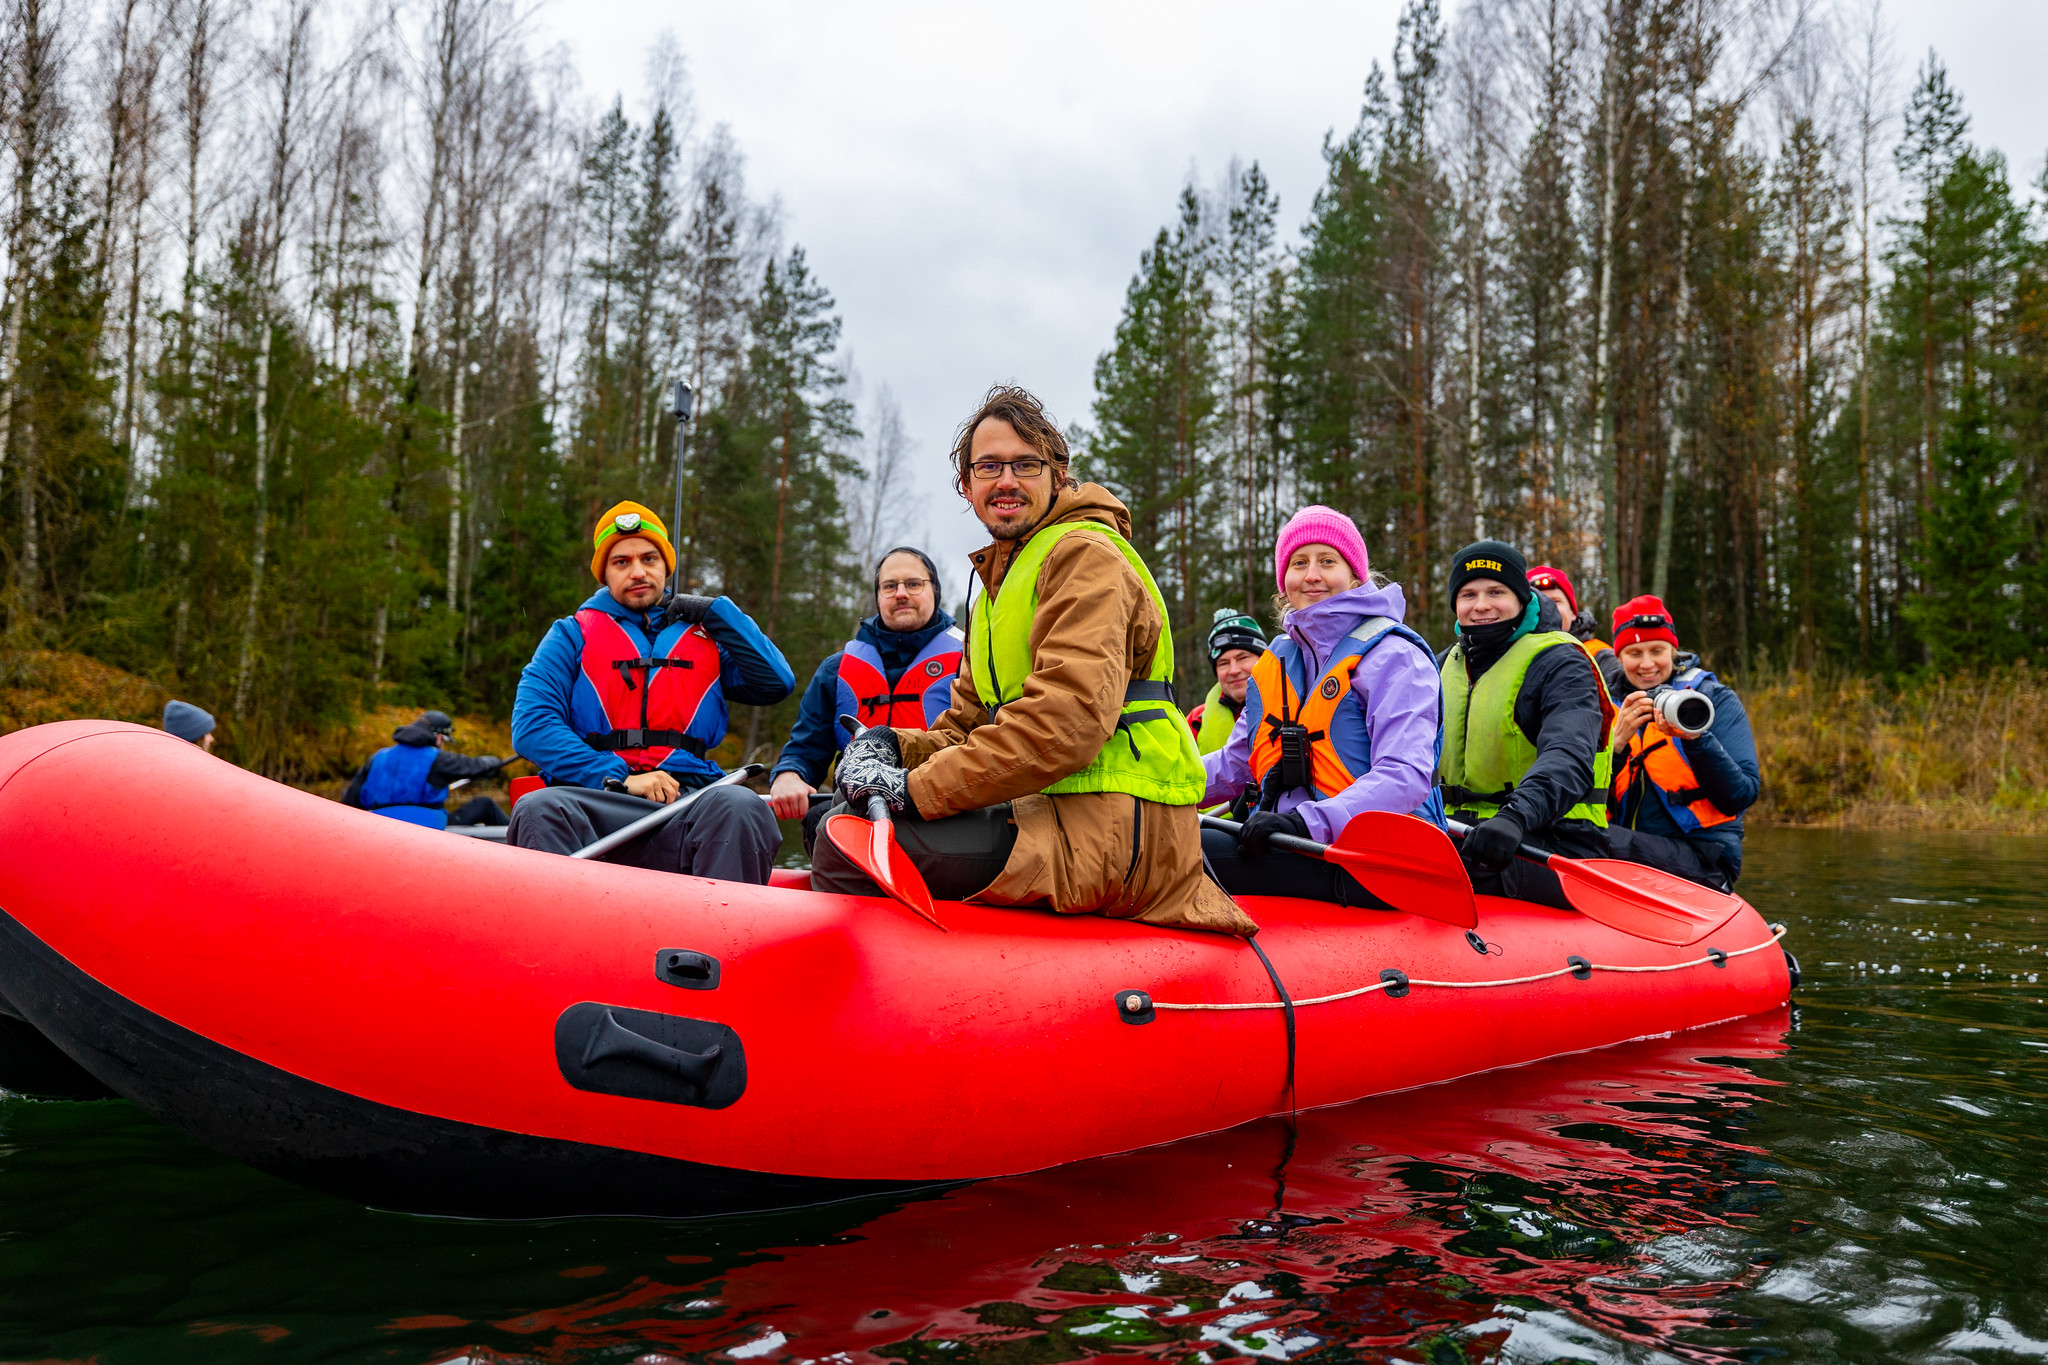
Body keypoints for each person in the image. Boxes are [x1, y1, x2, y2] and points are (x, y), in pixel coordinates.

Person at [811, 385, 1253, 935]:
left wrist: (913, 789)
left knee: (842, 846)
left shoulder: (1086, 556)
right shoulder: (993, 594)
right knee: (833, 815)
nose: (1006, 480)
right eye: (989, 466)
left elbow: (1065, 724)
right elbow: (964, 729)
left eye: (1025, 464)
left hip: (1115, 828)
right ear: (967, 484)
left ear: (1057, 475)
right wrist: (891, 746)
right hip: (1045, 810)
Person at [507, 501, 793, 883]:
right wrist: (618, 777)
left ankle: (716, 924)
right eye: (621, 562)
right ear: (605, 574)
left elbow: (775, 682)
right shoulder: (570, 634)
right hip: (600, 802)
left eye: (649, 559)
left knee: (740, 804)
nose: (638, 572)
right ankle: (567, 919)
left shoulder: (706, 637)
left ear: (665, 567)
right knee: (538, 808)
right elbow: (532, 725)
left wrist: (717, 613)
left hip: (689, 803)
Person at [1198, 506, 1444, 906]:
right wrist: (1151, 791)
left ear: (1355, 575)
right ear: (1284, 581)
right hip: (1294, 843)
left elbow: (1405, 775)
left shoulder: (1395, 656)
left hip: (1375, 859)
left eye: (1327, 561)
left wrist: (1304, 822)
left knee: (1191, 853)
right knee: (1163, 839)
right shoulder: (1278, 660)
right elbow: (1236, 761)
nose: (1311, 575)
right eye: (1299, 563)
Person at [1438, 540, 1614, 909]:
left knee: (1436, 875)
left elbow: (1568, 754)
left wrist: (1515, 816)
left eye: (1496, 592)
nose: (1481, 605)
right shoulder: (1440, 665)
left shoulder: (1562, 663)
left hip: (1554, 838)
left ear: (1521, 598)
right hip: (1456, 830)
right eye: (1468, 594)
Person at [768, 546, 963, 849]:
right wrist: (789, 774)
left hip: (943, 808)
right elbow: (806, 748)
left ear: (934, 591)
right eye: (890, 586)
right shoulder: (836, 669)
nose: (901, 594)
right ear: (878, 596)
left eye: (913, 584)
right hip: (856, 811)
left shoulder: (971, 662)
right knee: (820, 817)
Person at [1605, 595, 1760, 889]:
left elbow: (1740, 795)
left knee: (1590, 839)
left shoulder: (1714, 699)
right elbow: (1581, 798)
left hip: (1705, 856)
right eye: (1634, 653)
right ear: (1619, 657)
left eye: (1657, 651)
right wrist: (1616, 747)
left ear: (1673, 651)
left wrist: (1696, 739)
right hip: (1627, 849)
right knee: (1572, 830)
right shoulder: (1604, 705)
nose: (1647, 664)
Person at [341, 711, 508, 829]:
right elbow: (479, 766)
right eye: (444, 741)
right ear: (439, 737)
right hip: (426, 831)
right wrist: (495, 763)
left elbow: (350, 801)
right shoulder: (438, 759)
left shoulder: (377, 758)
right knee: (485, 804)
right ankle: (521, 849)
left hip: (380, 829)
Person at [1528, 563, 1626, 700]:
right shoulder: (1510, 656)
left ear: (1573, 613)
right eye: (1538, 601)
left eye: (1555, 601)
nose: (1547, 609)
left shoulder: (1600, 657)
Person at [1185, 608, 1265, 757]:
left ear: (1263, 659)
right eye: (1223, 663)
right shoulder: (1195, 720)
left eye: (1242, 658)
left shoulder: (1293, 705)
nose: (1233, 670)